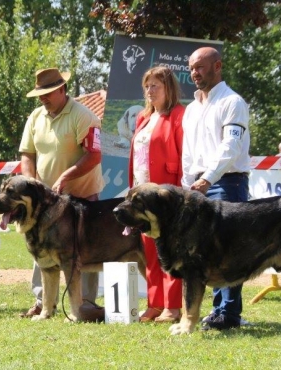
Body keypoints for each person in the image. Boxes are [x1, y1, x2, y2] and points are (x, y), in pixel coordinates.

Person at [18, 67, 105, 318]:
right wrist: (30, 182)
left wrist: (66, 176)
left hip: (82, 196)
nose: (42, 99)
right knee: (39, 245)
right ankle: (43, 301)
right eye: (40, 94)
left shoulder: (84, 116)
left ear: (61, 89)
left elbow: (94, 156)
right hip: (44, 201)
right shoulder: (35, 117)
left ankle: (85, 302)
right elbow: (27, 154)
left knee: (84, 248)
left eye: (47, 93)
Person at [181, 47, 251, 330]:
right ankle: (217, 310)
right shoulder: (191, 108)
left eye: (199, 67)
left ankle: (229, 314)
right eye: (191, 68)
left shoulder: (233, 102)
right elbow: (188, 151)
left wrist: (208, 178)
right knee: (206, 249)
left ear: (217, 65)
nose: (194, 73)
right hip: (198, 185)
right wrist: (188, 184)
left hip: (227, 182)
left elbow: (231, 147)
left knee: (230, 248)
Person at [128, 66, 184, 323]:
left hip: (167, 194)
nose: (150, 91)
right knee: (149, 250)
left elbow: (185, 155)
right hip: (142, 195)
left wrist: (180, 191)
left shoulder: (180, 115)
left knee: (169, 251)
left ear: (168, 88)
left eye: (156, 86)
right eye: (147, 86)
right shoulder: (142, 117)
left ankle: (173, 307)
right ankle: (155, 304)